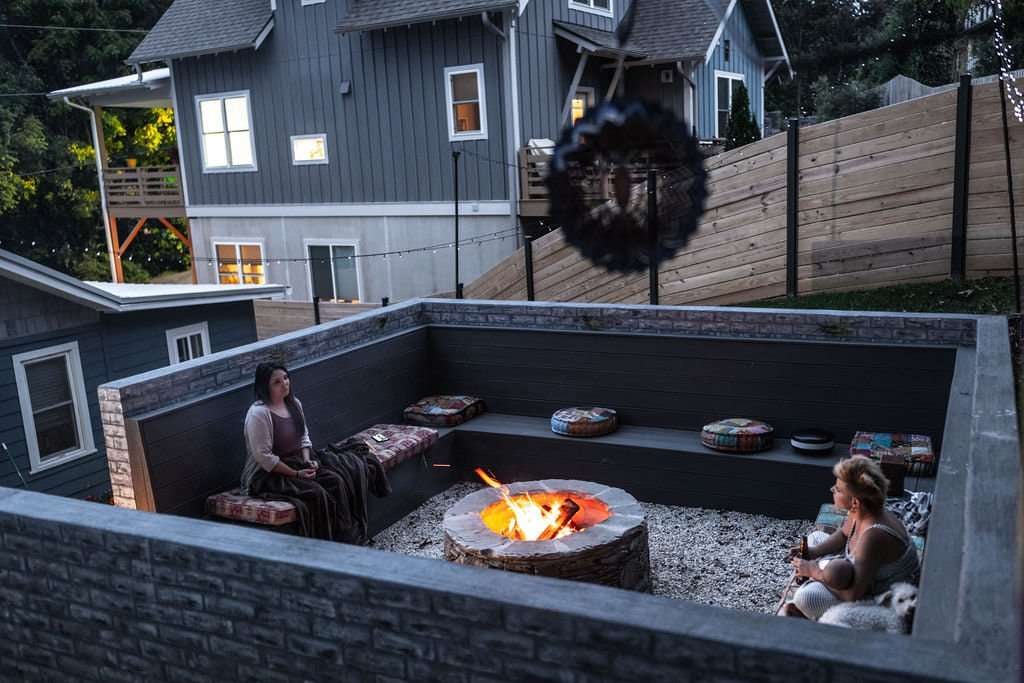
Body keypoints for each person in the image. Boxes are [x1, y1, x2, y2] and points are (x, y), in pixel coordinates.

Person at [241, 363, 388, 542]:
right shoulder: (258, 414)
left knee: (337, 480)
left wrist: (307, 460)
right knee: (317, 494)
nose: (285, 384)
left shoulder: (294, 404)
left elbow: (304, 438)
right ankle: (323, 543)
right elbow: (264, 457)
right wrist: (296, 473)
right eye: (277, 382)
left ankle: (347, 535)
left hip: (297, 462)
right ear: (265, 386)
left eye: (286, 378)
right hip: (270, 473)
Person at [784, 456, 920, 620]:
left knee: (806, 598)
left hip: (881, 594)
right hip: (861, 570)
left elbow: (853, 595)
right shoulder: (861, 511)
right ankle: (821, 575)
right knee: (816, 538)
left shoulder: (874, 535)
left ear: (855, 502)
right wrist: (812, 552)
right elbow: (843, 534)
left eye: (838, 489)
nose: (832, 489)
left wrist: (814, 571)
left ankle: (813, 611)